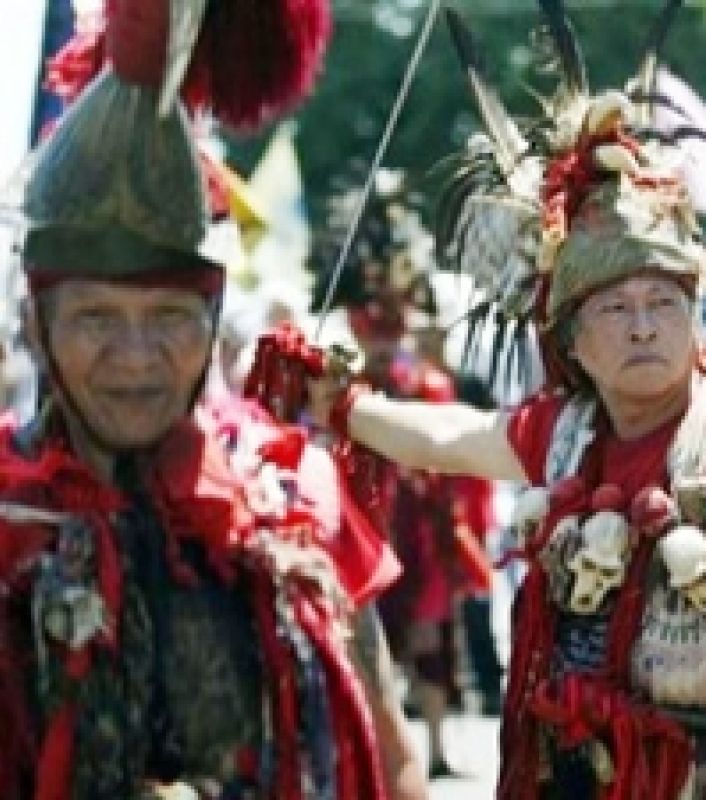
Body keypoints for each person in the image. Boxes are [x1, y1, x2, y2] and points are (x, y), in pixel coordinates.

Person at [303, 5, 706, 798]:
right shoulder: (567, 432)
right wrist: (343, 406)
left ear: (696, 315)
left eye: (663, 302)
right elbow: (454, 438)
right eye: (615, 308)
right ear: (573, 341)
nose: (643, 326)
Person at [0, 1, 426, 797]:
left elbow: (394, 762)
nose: (136, 357)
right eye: (96, 317)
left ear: (212, 321)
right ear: (37, 323)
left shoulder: (301, 502)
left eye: (168, 318)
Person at [310, 175, 494, 778]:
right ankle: (374, 748)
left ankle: (436, 745)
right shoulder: (351, 333)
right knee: (367, 628)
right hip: (366, 501)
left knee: (431, 631)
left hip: (420, 508)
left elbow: (439, 414)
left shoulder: (423, 349)